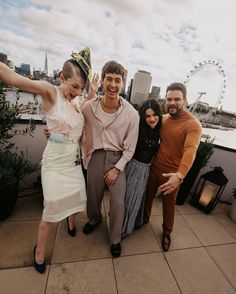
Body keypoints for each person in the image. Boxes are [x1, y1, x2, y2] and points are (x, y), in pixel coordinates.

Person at [0, 47, 95, 273]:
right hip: (54, 164)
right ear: (62, 78)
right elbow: (13, 78)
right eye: (74, 87)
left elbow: (84, 107)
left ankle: (70, 222)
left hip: (72, 163)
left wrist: (93, 90)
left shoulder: (77, 102)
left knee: (75, 198)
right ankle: (39, 251)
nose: (77, 93)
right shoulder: (50, 92)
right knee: (51, 210)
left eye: (80, 90)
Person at [81, 60, 139, 258]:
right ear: (103, 81)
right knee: (93, 194)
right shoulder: (89, 107)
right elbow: (72, 120)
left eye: (118, 80)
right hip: (96, 156)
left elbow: (130, 148)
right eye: (109, 79)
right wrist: (54, 132)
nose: (113, 84)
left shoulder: (132, 114)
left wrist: (117, 169)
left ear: (123, 84)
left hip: (118, 160)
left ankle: (115, 239)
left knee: (117, 202)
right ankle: (94, 219)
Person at [144, 82, 202, 252]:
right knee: (146, 197)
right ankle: (144, 220)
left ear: (185, 100)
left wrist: (179, 176)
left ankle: (167, 233)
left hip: (172, 175)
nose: (172, 102)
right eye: (169, 99)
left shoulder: (193, 124)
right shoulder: (163, 118)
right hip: (153, 167)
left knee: (169, 206)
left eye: (177, 99)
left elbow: (190, 150)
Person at [122, 99, 162, 238]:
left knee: (138, 199)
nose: (151, 119)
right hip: (134, 167)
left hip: (147, 170)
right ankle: (122, 229)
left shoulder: (159, 130)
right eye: (147, 116)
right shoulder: (138, 128)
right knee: (129, 199)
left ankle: (132, 223)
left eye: (154, 115)